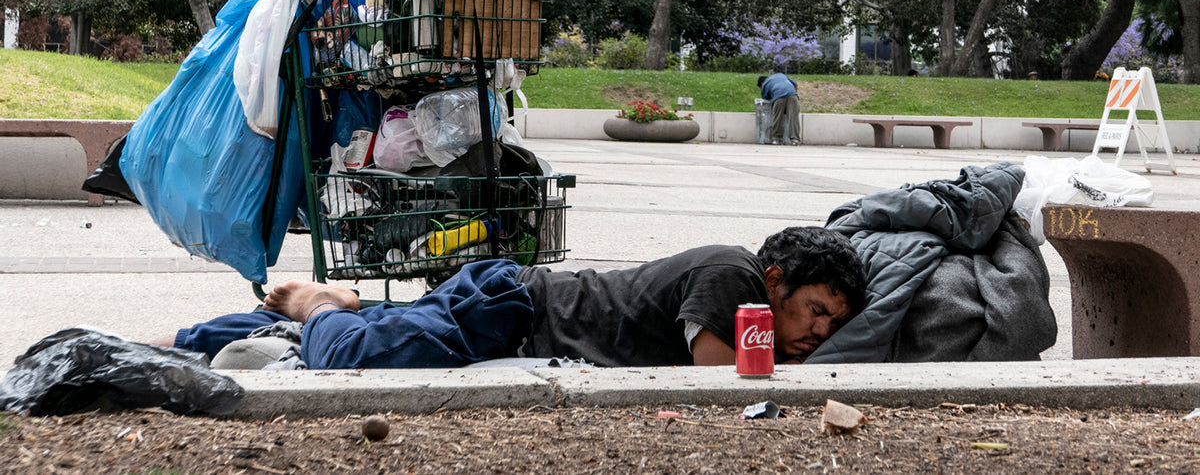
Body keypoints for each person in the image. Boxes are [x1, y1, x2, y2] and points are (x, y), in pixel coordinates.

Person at [160, 226, 865, 369]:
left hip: (509, 316)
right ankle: (318, 301)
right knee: (348, 355)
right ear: (778, 281)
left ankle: (177, 344)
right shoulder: (735, 276)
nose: (817, 333)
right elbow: (725, 385)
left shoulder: (752, 298)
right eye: (816, 312)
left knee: (385, 326)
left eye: (833, 327)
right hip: (511, 311)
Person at [758, 71, 801, 145]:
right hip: (792, 95)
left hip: (778, 97)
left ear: (761, 84)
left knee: (777, 117)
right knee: (793, 117)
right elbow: (795, 84)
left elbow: (766, 98)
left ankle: (776, 139)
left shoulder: (765, 84)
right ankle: (795, 140)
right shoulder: (781, 75)